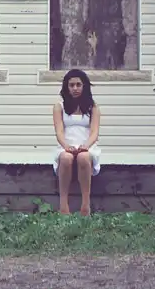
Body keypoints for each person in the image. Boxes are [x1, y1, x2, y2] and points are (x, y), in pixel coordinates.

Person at [52, 69, 101, 216]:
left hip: (87, 145)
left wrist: (86, 146)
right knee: (66, 158)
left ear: (84, 86)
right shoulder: (59, 107)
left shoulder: (93, 107)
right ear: (66, 87)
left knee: (83, 157)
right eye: (71, 85)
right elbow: (59, 132)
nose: (75, 88)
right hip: (66, 145)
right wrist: (66, 146)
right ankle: (63, 206)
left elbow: (94, 132)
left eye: (78, 85)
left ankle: (85, 205)